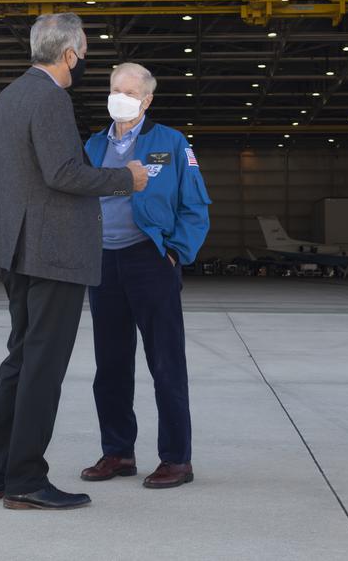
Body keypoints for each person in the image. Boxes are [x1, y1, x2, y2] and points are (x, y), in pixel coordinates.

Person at [0, 12, 149, 512]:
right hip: (51, 252)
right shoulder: (50, 98)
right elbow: (62, 173)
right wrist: (123, 179)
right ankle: (25, 480)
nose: (85, 59)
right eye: (85, 50)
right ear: (68, 54)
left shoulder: (10, 96)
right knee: (42, 367)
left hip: (17, 248)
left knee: (20, 359)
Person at [80, 63, 211, 490]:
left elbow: (195, 205)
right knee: (111, 365)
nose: (121, 96)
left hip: (149, 260)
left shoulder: (170, 143)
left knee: (165, 363)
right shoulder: (93, 145)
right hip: (104, 263)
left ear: (147, 100)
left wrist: (175, 252)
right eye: (115, 88)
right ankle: (117, 452)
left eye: (130, 92)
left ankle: (177, 459)